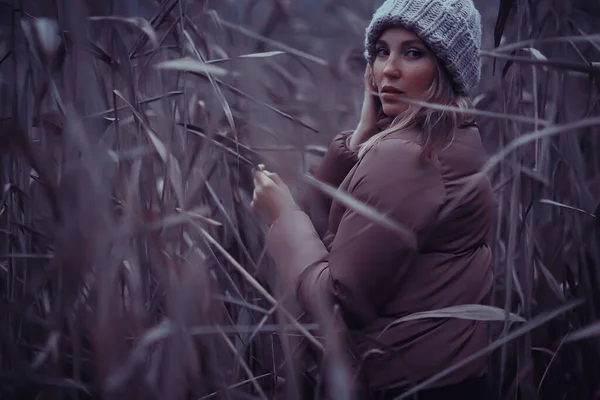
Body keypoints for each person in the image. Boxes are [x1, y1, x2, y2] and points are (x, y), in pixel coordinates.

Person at [250, 0, 495, 398]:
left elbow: (340, 299)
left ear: (448, 68)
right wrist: (360, 138)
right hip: (452, 378)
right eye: (382, 51)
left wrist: (282, 217)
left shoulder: (407, 157)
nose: (389, 69)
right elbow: (336, 230)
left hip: (401, 385)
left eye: (413, 52)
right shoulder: (457, 140)